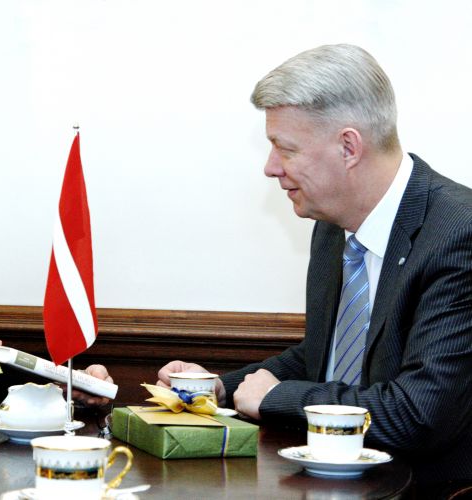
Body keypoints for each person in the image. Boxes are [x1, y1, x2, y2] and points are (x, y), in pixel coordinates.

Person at [158, 44, 472, 492]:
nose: (270, 169)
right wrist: (220, 390)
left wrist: (276, 399)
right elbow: (323, 361)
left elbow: (418, 416)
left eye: (285, 149)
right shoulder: (331, 226)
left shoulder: (458, 233)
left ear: (348, 146)